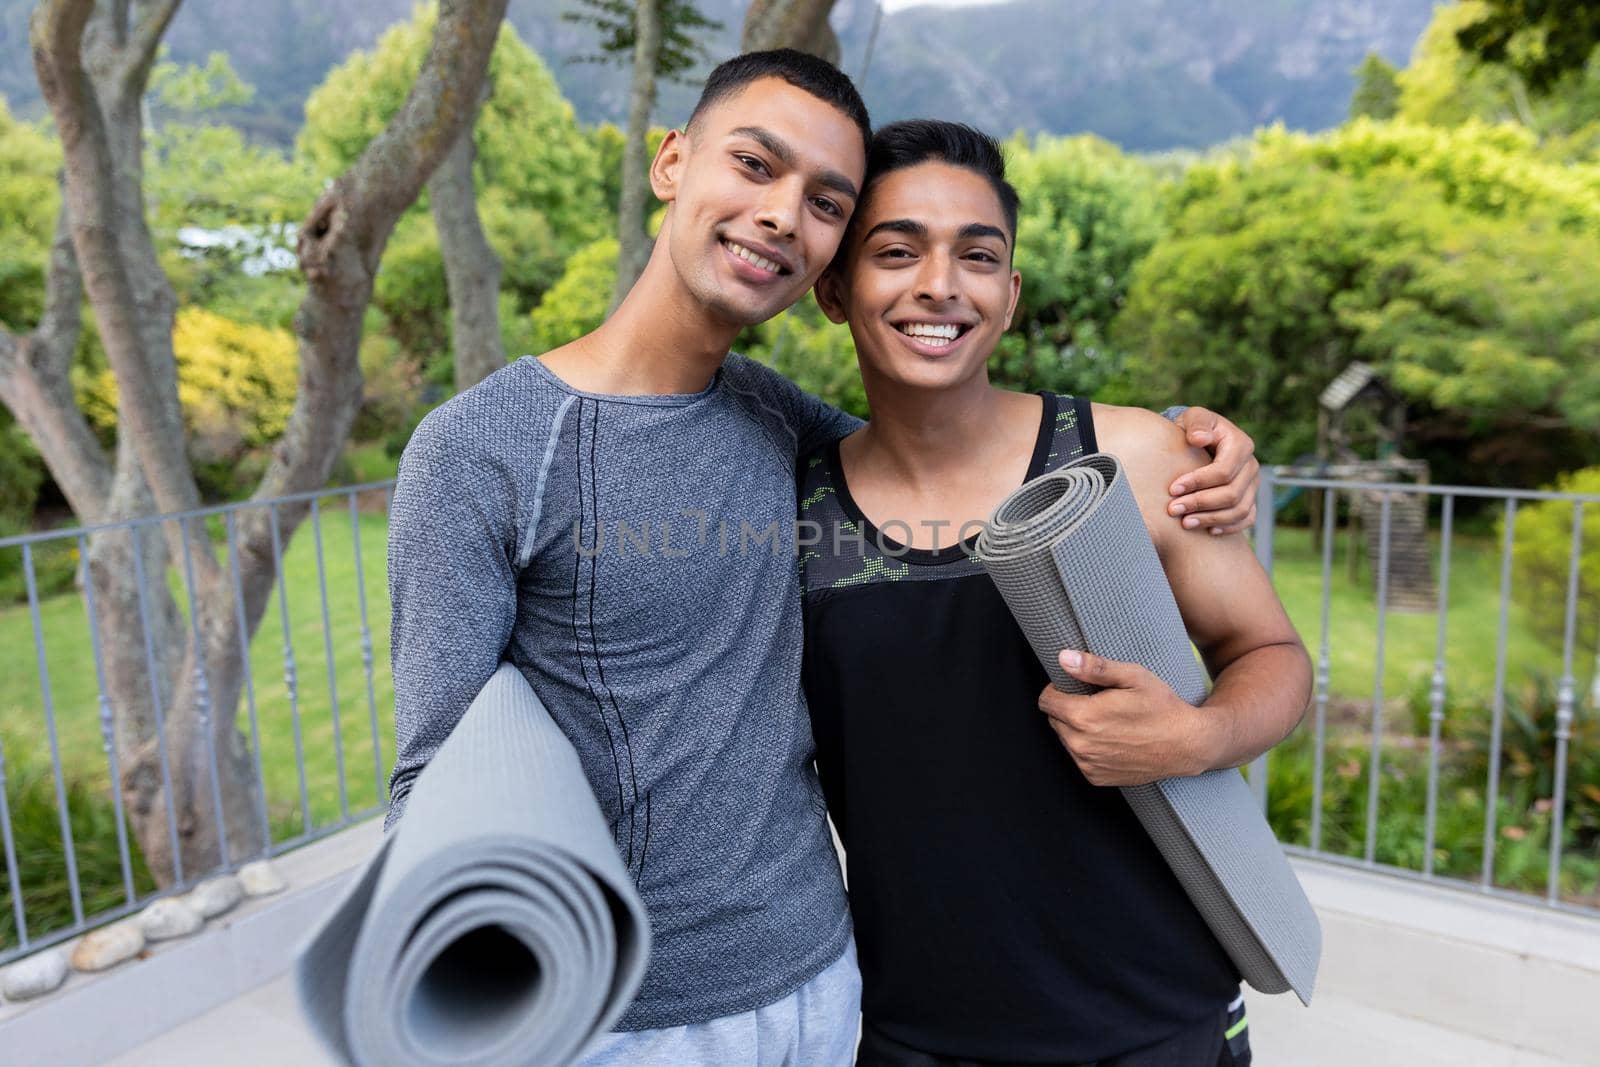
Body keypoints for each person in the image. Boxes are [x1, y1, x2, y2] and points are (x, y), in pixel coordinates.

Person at [385, 52, 1263, 1066]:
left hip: (828, 981)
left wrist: (1179, 441)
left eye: (823, 201)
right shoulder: (477, 449)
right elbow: (436, 777)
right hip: (623, 1015)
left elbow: (936, 451)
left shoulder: (771, 416)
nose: (779, 215)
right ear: (672, 162)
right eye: (754, 165)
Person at [801, 120, 1312, 1067]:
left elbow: (1273, 657)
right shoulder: (794, 506)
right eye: (896, 251)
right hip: (914, 1031)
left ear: (1011, 292)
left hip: (1160, 1017)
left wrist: (1196, 736)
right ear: (834, 286)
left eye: (978, 255)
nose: (939, 285)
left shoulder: (1136, 459)